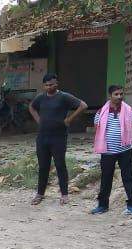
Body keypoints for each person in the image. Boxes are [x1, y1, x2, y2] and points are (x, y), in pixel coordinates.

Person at [28, 73, 88, 206]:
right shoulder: (41, 98)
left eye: (52, 84)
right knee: (43, 166)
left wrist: (69, 119)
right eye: (47, 85)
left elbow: (83, 105)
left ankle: (64, 195)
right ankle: (40, 194)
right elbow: (31, 107)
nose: (49, 87)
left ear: (57, 84)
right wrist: (38, 120)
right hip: (42, 137)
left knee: (60, 165)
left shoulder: (64, 97)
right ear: (43, 86)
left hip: (59, 137)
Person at [92, 85, 132, 216]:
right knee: (106, 178)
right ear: (110, 96)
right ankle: (102, 205)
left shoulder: (130, 111)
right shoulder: (101, 112)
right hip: (107, 152)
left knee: (129, 178)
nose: (119, 97)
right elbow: (97, 130)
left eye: (121, 94)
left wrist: (126, 141)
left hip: (125, 150)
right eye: (116, 94)